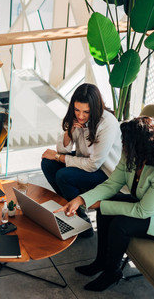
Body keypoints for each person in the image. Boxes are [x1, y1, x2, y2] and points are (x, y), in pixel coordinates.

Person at [57, 116, 154, 291]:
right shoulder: (132, 156)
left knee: (120, 224)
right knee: (107, 206)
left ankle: (111, 272)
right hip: (150, 206)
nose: (122, 144)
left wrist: (101, 205)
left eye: (126, 141)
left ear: (141, 146)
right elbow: (112, 184)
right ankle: (101, 261)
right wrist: (81, 200)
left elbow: (142, 212)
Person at [41, 83, 121, 235]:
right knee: (48, 163)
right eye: (77, 110)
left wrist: (59, 157)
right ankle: (69, 211)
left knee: (64, 176)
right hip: (85, 162)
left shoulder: (107, 123)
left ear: (95, 109)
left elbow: (93, 165)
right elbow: (63, 149)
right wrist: (70, 131)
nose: (80, 115)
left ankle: (81, 221)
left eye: (86, 112)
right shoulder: (78, 119)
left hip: (105, 171)